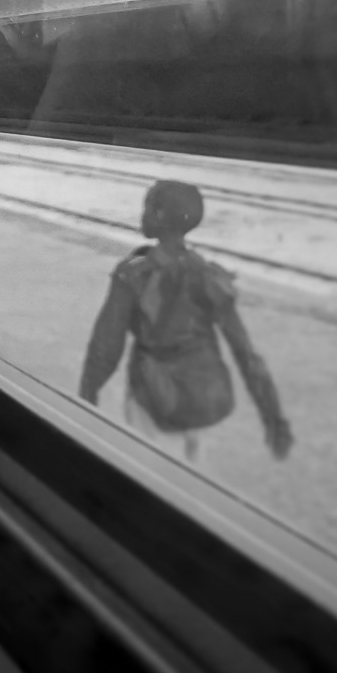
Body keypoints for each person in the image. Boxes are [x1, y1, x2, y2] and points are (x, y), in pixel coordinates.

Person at [78, 179, 294, 463]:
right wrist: (273, 418)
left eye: (147, 208)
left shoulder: (132, 275)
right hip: (203, 400)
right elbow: (246, 353)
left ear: (158, 216)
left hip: (153, 401)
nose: (142, 215)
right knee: (190, 476)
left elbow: (105, 347)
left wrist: (86, 397)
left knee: (152, 475)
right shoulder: (209, 275)